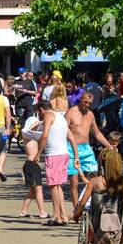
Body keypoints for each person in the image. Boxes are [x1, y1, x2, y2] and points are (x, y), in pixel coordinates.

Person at [71, 148, 123, 244]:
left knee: (89, 212)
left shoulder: (94, 182)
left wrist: (76, 214)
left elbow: (82, 203)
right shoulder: (122, 183)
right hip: (116, 223)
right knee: (122, 214)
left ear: (103, 165)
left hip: (97, 223)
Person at [66, 90, 114, 209]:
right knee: (74, 181)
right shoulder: (71, 112)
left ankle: (89, 204)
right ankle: (76, 208)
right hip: (71, 149)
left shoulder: (90, 114)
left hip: (86, 149)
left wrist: (109, 146)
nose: (86, 105)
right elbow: (63, 131)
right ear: (80, 99)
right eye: (85, 102)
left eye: (89, 103)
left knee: (95, 178)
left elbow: (97, 133)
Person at [41, 88, 72, 225]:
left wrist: (38, 152)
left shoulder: (48, 116)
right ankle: (63, 215)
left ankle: (56, 216)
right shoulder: (61, 117)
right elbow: (71, 137)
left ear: (42, 110)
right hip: (63, 153)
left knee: (53, 186)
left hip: (53, 154)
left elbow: (45, 134)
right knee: (58, 186)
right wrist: (75, 155)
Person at [19, 101, 47, 219]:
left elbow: (43, 135)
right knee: (38, 189)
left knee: (32, 190)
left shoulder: (35, 135)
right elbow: (27, 130)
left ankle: (23, 211)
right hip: (30, 164)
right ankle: (42, 212)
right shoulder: (26, 133)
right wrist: (37, 123)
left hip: (33, 164)